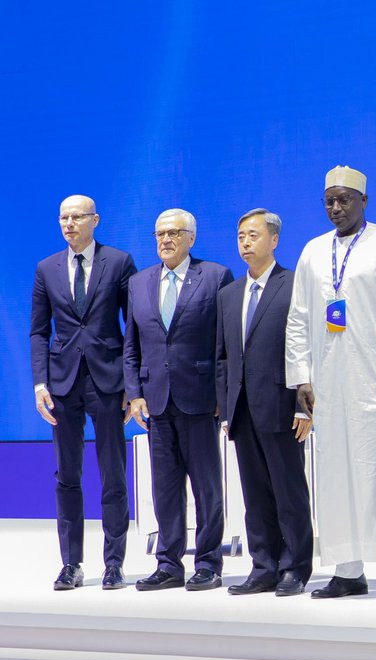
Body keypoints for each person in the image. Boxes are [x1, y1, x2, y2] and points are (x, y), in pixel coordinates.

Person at [285, 165, 376, 601]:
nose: (336, 208)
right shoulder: (312, 252)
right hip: (328, 382)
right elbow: (299, 318)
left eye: (344, 200)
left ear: (364, 201)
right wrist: (301, 378)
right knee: (334, 474)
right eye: (329, 201)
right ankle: (347, 571)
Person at [30, 195, 136, 590]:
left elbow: (134, 326)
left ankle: (114, 563)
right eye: (64, 217)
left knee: (113, 473)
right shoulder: (47, 268)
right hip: (62, 383)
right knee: (68, 474)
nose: (69, 223)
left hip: (107, 380)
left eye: (77, 217)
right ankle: (71, 563)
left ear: (95, 220)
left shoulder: (119, 262)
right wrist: (40, 383)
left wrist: (132, 384)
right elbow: (39, 330)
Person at [124, 209, 233, 590]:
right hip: (156, 400)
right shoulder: (138, 283)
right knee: (165, 488)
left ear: (191, 238)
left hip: (200, 398)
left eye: (173, 233)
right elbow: (132, 346)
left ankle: (208, 563)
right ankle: (169, 563)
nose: (165, 240)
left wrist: (222, 394)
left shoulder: (215, 276)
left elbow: (225, 343)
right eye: (159, 234)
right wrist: (134, 395)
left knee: (207, 487)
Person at [216, 209, 314, 596]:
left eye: (253, 235)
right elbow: (223, 357)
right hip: (242, 411)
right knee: (254, 495)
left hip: (282, 406)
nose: (245, 242)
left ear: (274, 240)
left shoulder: (294, 285)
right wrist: (226, 408)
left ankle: (295, 567)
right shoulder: (229, 294)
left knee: (289, 492)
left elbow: (306, 347)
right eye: (240, 236)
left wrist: (304, 405)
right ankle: (263, 566)